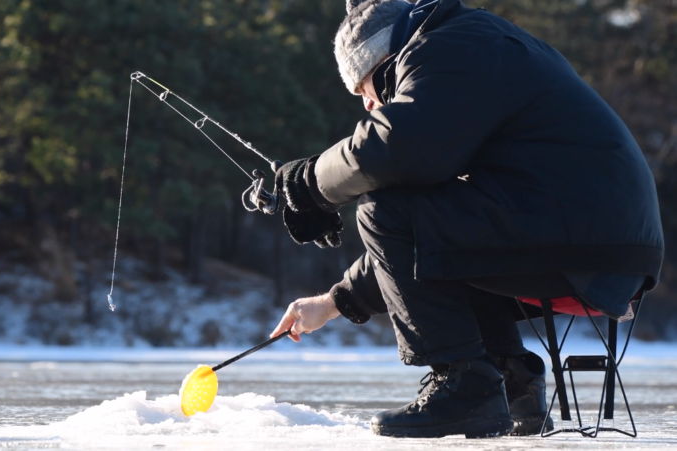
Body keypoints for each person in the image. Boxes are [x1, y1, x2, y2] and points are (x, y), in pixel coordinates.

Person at [270, 0, 664, 439]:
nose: (368, 105)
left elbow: (398, 147)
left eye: (364, 89)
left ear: (381, 60)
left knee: (383, 210)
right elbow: (431, 235)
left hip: (579, 230)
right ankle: (512, 384)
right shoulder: (474, 41)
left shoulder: (449, 47)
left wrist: (308, 183)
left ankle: (466, 388)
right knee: (433, 223)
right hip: (601, 237)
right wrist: (332, 302)